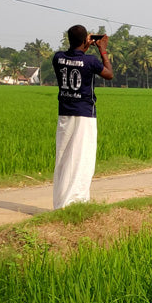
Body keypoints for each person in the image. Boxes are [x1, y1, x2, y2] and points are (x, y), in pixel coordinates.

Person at [52, 25, 113, 207]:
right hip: (85, 115)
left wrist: (82, 46)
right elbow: (109, 74)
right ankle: (77, 200)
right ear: (86, 40)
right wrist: (102, 50)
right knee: (82, 158)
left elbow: (72, 56)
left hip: (65, 113)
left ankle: (60, 201)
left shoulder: (58, 58)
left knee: (63, 157)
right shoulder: (91, 61)